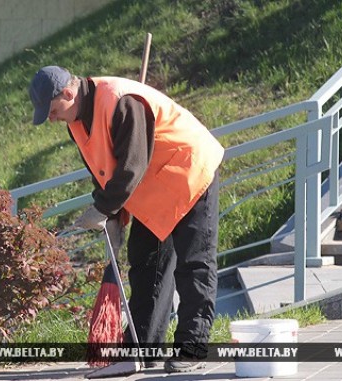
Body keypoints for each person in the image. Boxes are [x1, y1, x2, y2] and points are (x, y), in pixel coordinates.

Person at [28, 66, 224, 373]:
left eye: (52, 111)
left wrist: (104, 209)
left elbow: (132, 166)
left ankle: (192, 348)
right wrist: (115, 215)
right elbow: (103, 168)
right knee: (146, 266)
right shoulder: (76, 121)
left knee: (193, 264)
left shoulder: (121, 100)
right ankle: (142, 350)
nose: (51, 118)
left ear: (67, 93)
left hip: (188, 172)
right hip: (153, 187)